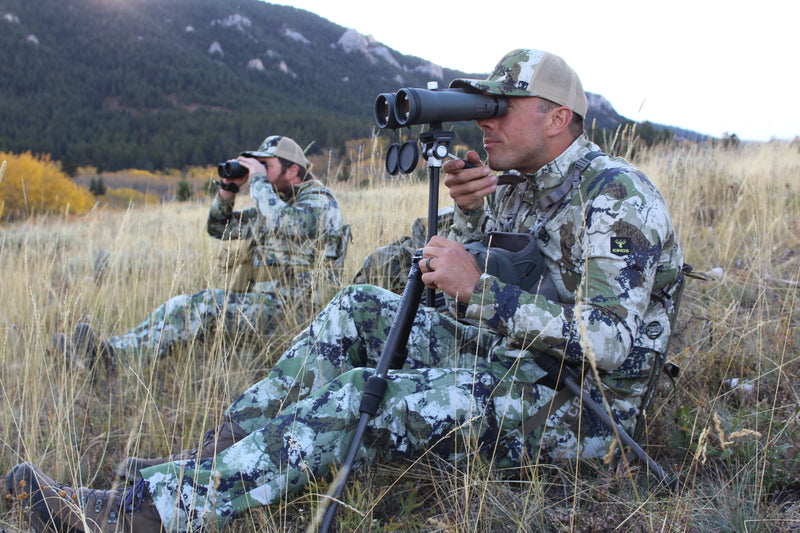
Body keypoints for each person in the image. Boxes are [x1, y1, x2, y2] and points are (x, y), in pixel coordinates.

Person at [6, 49, 684, 532]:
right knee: (358, 308)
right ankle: (205, 461)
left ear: (558, 119)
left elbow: (607, 343)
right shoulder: (517, 186)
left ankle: (143, 514)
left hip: (580, 412)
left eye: (502, 108)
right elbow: (497, 274)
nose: (486, 120)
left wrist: (478, 288)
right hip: (513, 360)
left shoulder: (616, 196)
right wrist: (474, 219)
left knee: (365, 391)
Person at [54, 135, 348, 370]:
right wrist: (227, 191)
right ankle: (107, 352)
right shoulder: (276, 203)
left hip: (299, 316)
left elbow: (287, 222)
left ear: (292, 170)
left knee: (199, 307)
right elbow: (219, 228)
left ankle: (111, 361)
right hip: (266, 307)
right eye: (257, 166)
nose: (259, 172)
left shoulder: (321, 203)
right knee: (176, 306)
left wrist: (258, 182)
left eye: (266, 166)